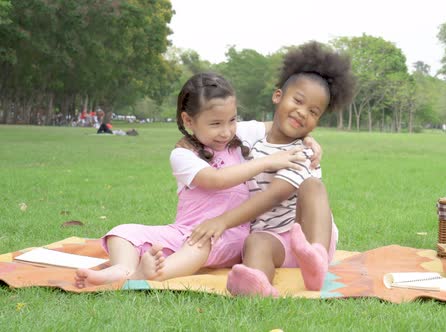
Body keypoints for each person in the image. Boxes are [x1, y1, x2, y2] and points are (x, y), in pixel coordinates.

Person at [74, 72, 322, 288]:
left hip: (229, 233)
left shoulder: (237, 134)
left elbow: (282, 123)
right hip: (184, 230)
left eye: (233, 120)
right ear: (188, 121)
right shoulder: (182, 155)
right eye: (215, 124)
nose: (226, 131)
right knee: (123, 232)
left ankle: (156, 274)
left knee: (200, 244)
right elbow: (216, 179)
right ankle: (122, 270)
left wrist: (308, 138)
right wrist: (266, 162)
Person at [188, 42, 356, 296]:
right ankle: (257, 284)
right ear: (278, 96)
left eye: (313, 111)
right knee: (255, 242)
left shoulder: (303, 152)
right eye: (298, 101)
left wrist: (222, 221)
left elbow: (275, 194)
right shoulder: (251, 143)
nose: (302, 113)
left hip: (308, 233)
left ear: (318, 121)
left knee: (313, 186)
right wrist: (186, 142)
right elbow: (215, 133)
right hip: (274, 239)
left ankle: (317, 261)